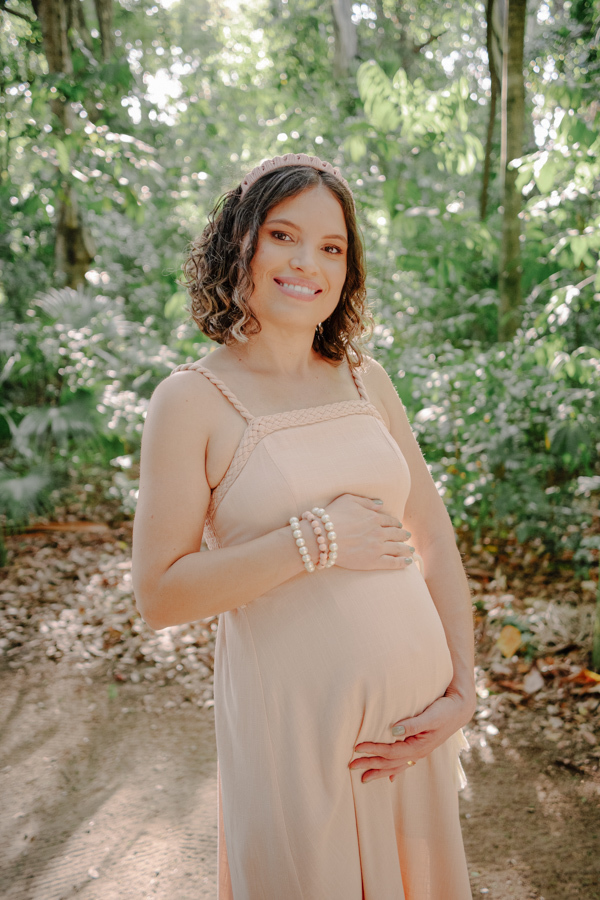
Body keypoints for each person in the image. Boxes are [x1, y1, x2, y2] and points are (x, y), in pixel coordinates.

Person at [132, 153, 476, 900]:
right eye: (284, 235)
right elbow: (159, 595)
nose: (308, 263)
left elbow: (434, 540)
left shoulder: (366, 379)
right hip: (298, 735)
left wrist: (463, 689)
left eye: (332, 247)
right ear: (240, 243)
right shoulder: (190, 399)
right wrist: (314, 539)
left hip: (412, 732)